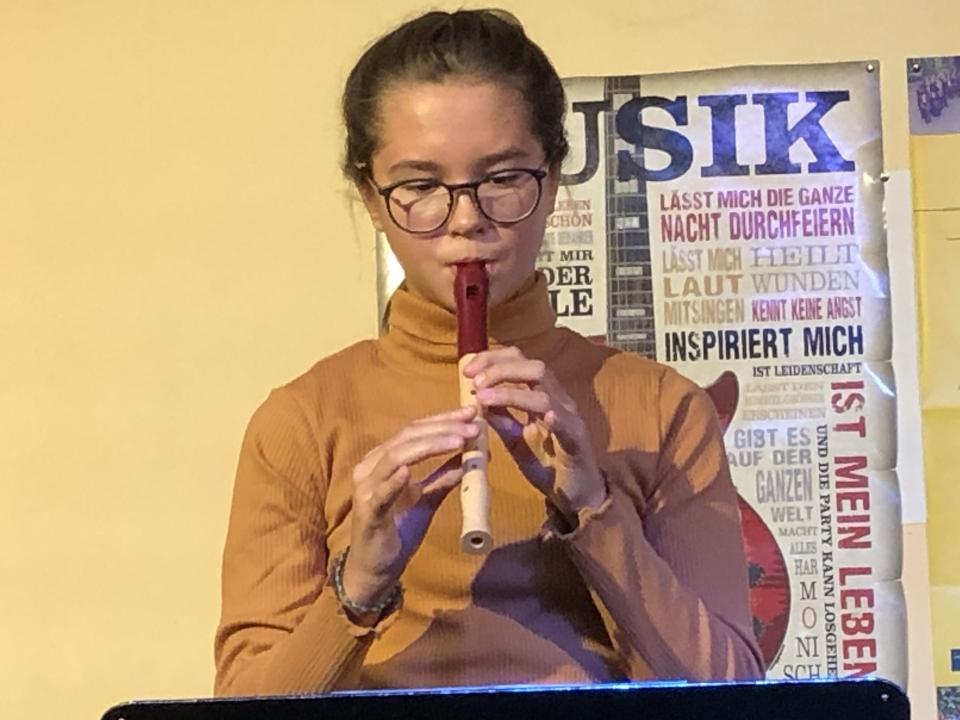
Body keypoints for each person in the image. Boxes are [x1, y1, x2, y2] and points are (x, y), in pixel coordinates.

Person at [214, 8, 763, 696]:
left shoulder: (662, 407)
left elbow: (732, 690)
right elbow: (242, 703)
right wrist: (360, 582)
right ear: (371, 198)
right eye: (420, 187)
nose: (467, 220)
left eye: (502, 178)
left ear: (552, 179)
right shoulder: (301, 421)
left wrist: (593, 510)